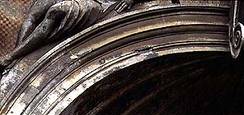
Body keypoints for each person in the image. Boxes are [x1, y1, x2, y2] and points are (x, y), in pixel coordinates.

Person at [0, 0, 150, 74]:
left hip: (99, 4)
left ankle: (13, 57)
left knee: (56, 11)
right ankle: (19, 56)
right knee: (34, 14)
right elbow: (31, 18)